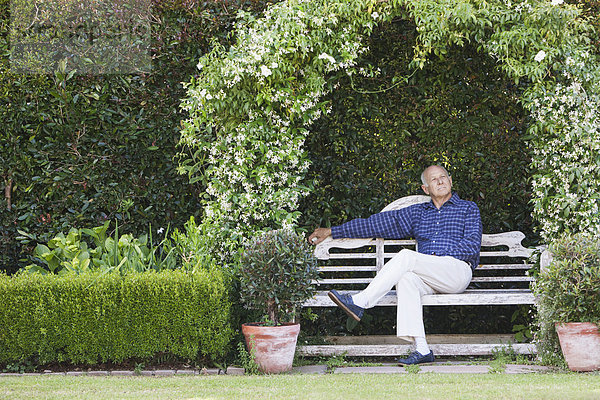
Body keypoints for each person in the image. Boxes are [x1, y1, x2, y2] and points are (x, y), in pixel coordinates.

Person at [308, 165, 482, 365]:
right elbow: (373, 224)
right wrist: (332, 231)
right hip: (429, 276)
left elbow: (470, 246)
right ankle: (422, 349)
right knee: (407, 279)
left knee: (407, 257)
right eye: (434, 179)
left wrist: (435, 258)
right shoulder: (418, 213)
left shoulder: (468, 208)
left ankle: (361, 301)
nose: (440, 181)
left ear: (450, 180)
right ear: (425, 189)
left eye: (443, 177)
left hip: (456, 271)